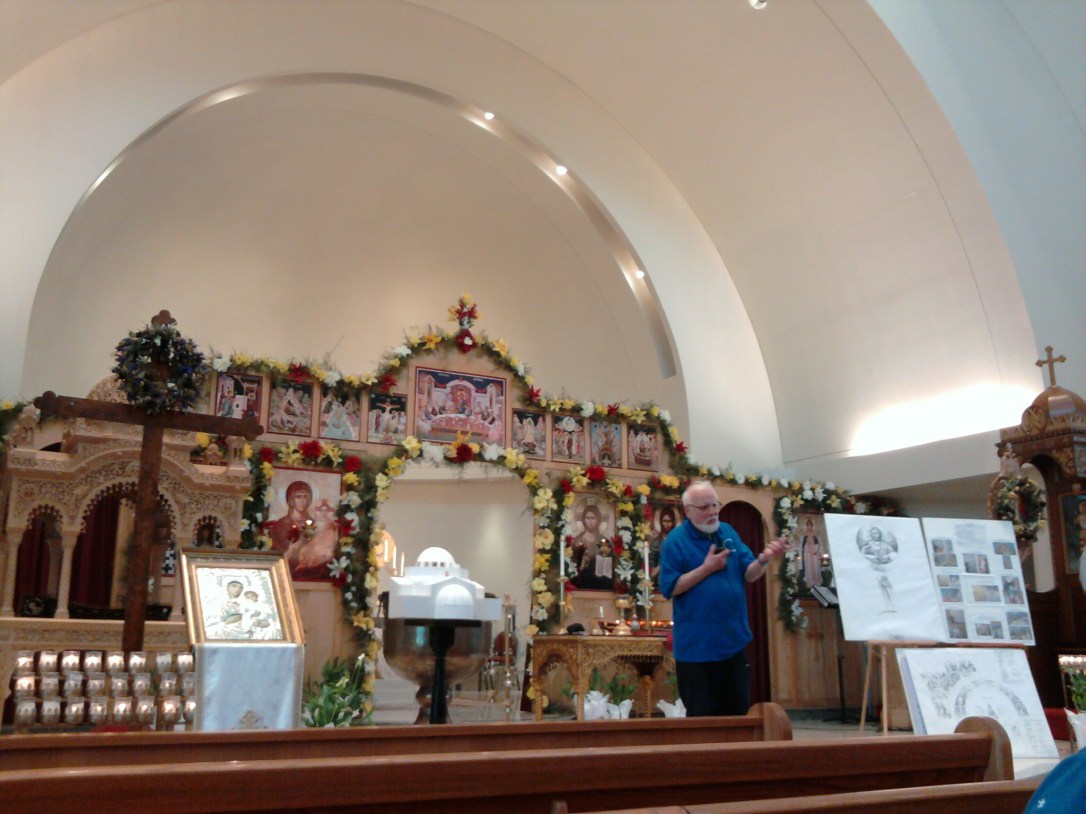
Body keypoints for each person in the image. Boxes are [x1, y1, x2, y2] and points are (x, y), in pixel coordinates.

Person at [659, 480, 787, 717]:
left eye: (715, 505)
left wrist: (765, 558)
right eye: (704, 507)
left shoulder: (727, 532)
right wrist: (706, 568)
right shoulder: (676, 541)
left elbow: (749, 573)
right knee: (703, 724)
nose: (712, 512)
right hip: (696, 651)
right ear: (688, 511)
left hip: (732, 644)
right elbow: (670, 587)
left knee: (736, 717)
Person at [268, 480, 314, 555]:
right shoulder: (281, 525)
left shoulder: (314, 524)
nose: (302, 501)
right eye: (298, 497)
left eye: (305, 497)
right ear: (291, 500)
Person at [799, 517, 823, 588]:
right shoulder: (804, 535)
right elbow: (802, 546)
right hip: (807, 554)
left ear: (812, 526)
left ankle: (816, 582)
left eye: (810, 525)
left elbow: (819, 544)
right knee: (808, 567)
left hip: (814, 554)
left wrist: (816, 550)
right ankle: (810, 583)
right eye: (808, 525)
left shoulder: (815, 534)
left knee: (816, 566)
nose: (809, 526)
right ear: (806, 526)